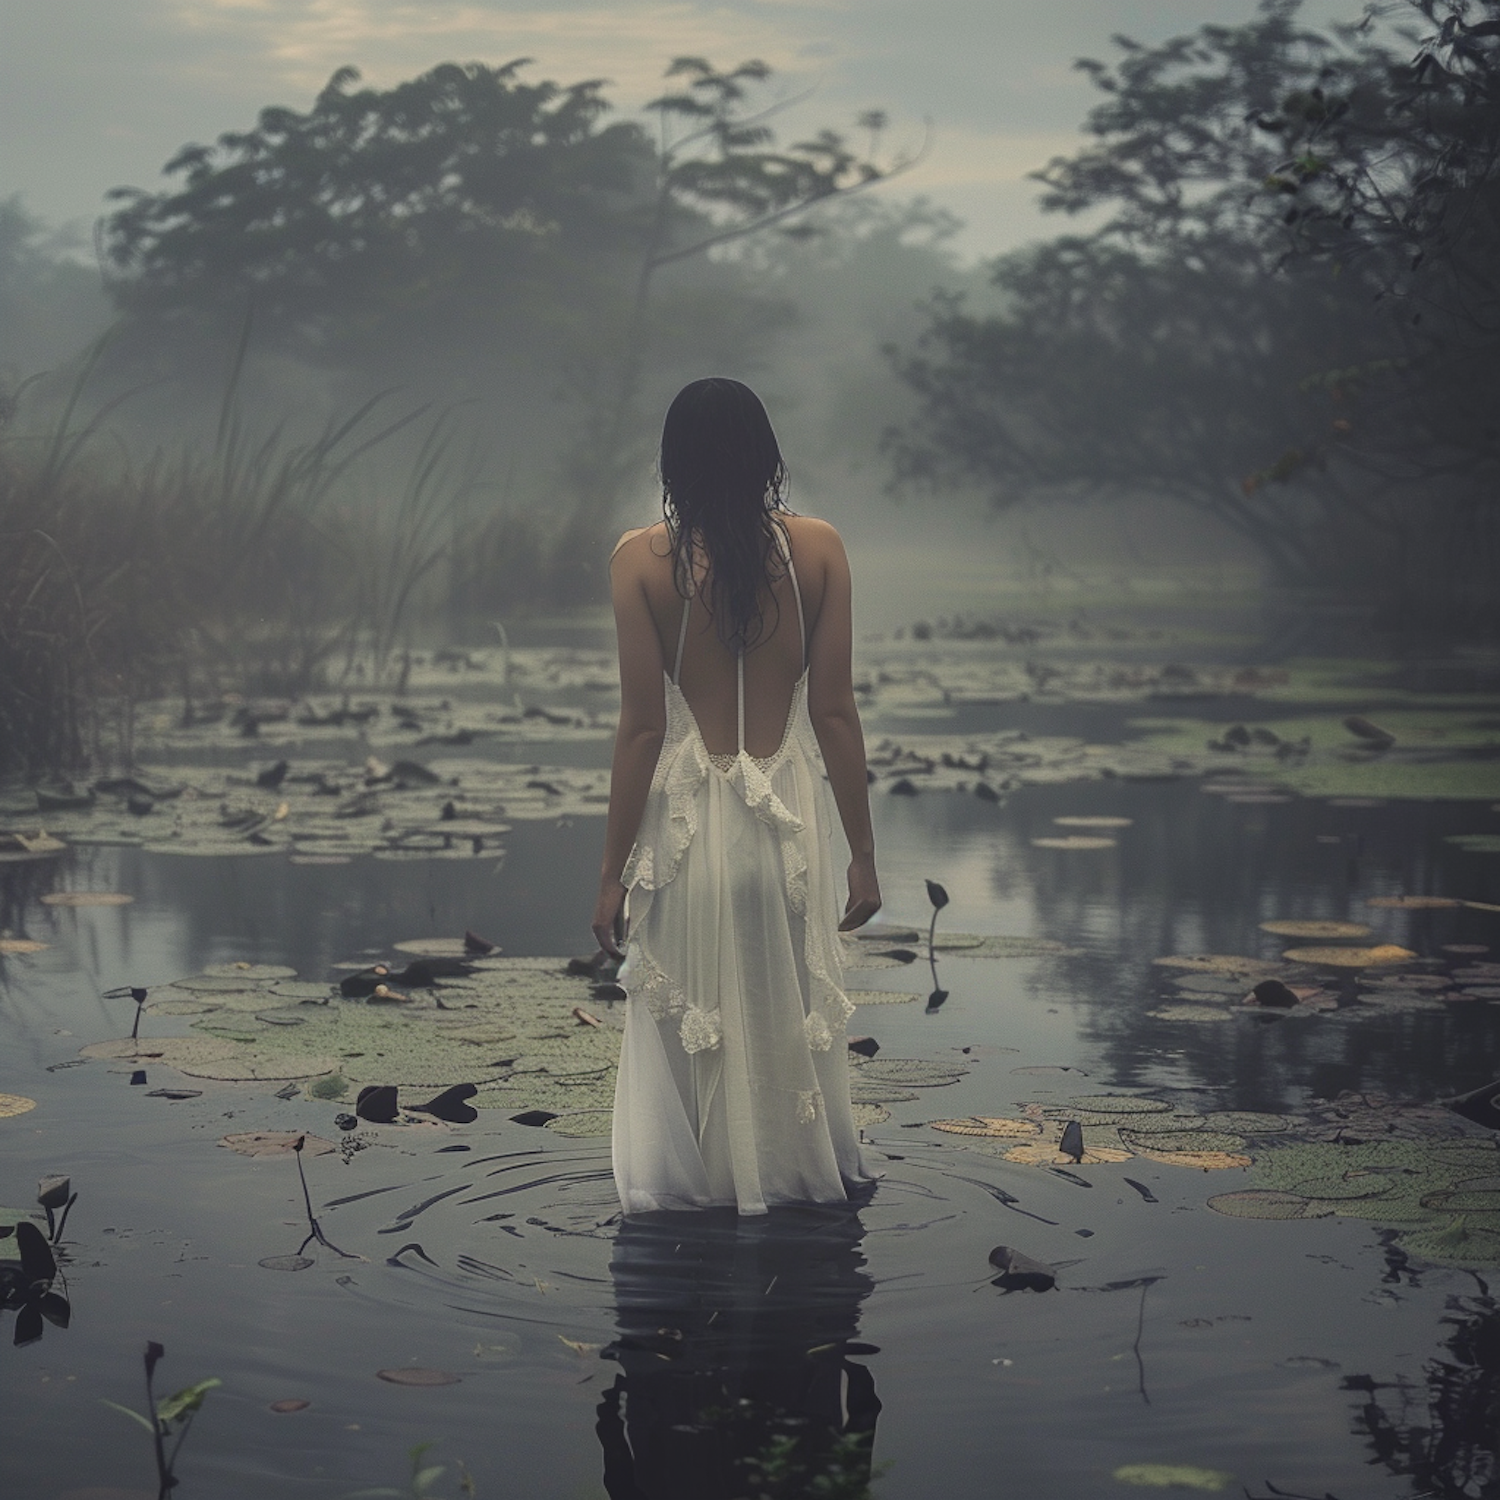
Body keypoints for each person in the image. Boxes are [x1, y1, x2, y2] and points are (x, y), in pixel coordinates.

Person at [591, 377, 881, 1215]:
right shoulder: (820, 550)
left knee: (697, 1033)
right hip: (789, 832)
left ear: (674, 462)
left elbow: (643, 730)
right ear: (767, 456)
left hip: (686, 836)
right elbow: (833, 711)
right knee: (782, 1026)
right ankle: (791, 1190)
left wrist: (611, 873)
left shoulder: (640, 561)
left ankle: (704, 1202)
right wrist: (863, 855)